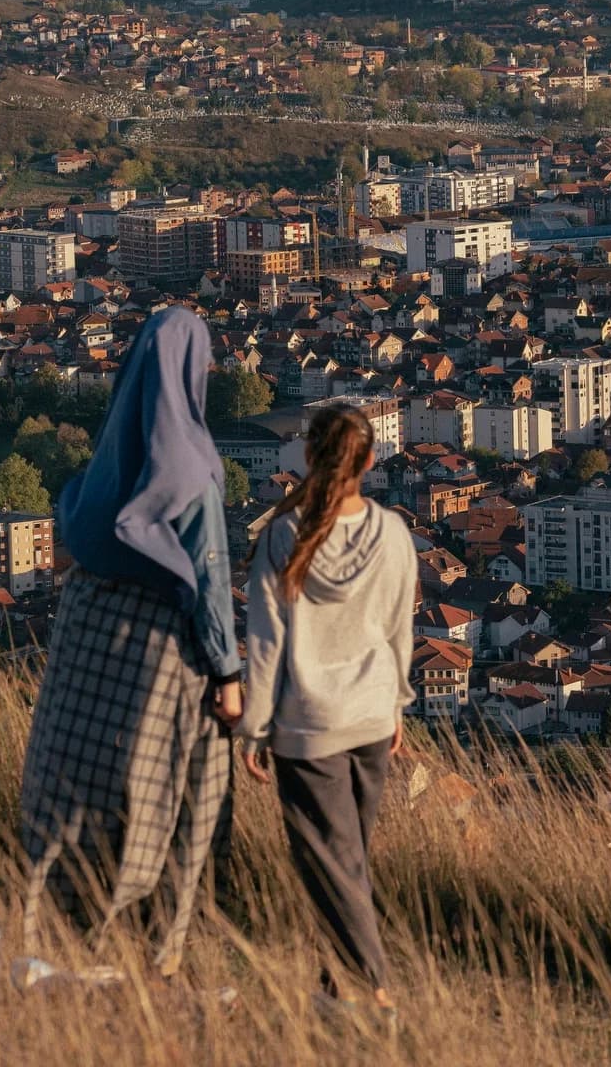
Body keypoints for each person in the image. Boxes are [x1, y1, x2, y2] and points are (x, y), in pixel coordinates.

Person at [18, 304, 242, 974]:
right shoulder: (192, 472)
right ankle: (156, 955)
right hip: (158, 657)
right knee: (175, 799)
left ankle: (58, 932)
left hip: (86, 636)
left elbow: (71, 512)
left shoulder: (112, 458)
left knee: (76, 790)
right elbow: (208, 580)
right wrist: (229, 675)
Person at [236, 403, 414, 1019]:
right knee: (349, 865)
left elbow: (266, 639)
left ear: (308, 456)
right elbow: (399, 632)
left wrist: (255, 726)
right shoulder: (391, 532)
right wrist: (396, 706)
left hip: (306, 726)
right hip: (369, 715)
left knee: (333, 869)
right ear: (369, 461)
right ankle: (334, 995)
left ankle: (375, 993)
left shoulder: (283, 534)